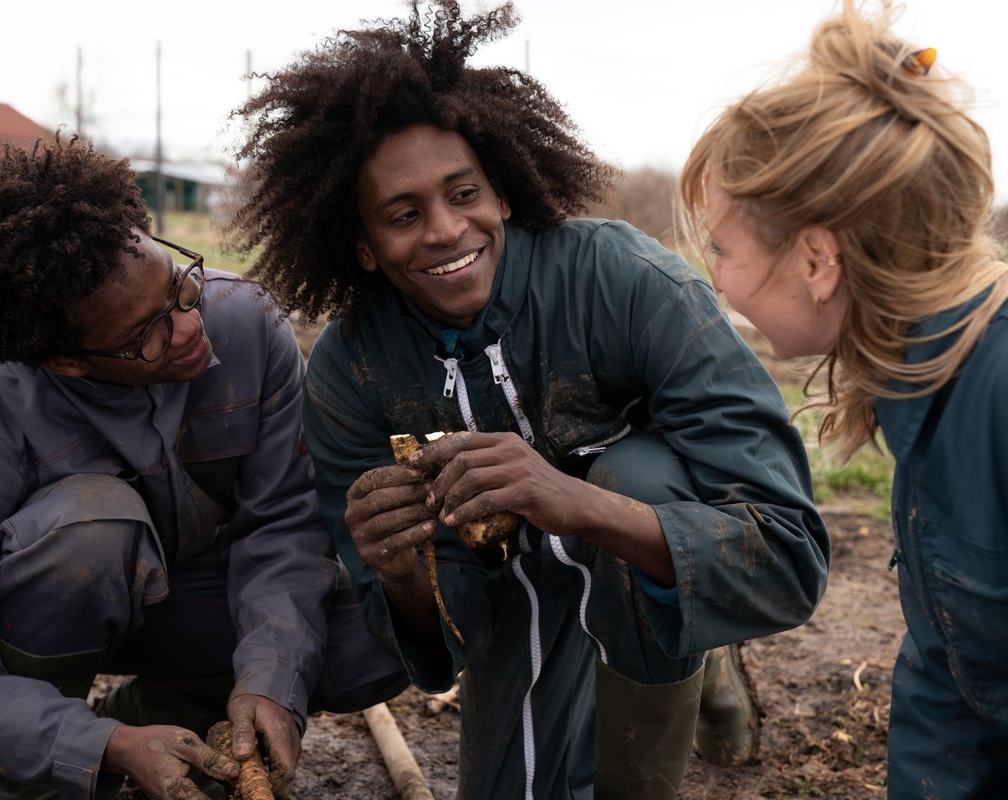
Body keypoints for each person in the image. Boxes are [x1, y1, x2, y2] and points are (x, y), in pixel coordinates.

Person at [227, 2, 830, 797]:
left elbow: (787, 553)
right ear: (364, 249)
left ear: (504, 194)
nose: (445, 230)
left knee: (634, 483)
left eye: (463, 193)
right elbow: (437, 649)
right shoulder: (352, 372)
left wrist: (569, 500)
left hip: (637, 543)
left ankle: (679, 670)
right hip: (515, 596)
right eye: (404, 216)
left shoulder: (627, 284)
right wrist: (399, 568)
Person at [0, 135, 407, 800]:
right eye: (146, 335)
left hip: (190, 607)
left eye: (180, 288)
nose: (190, 329)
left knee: (385, 623)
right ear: (66, 359)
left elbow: (283, 531)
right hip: (39, 627)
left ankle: (176, 729)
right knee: (92, 531)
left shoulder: (247, 326)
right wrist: (96, 747)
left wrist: (272, 680)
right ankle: (37, 767)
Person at [679, 3, 1008, 798]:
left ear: (818, 259)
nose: (714, 276)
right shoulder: (917, 379)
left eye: (723, 247)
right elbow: (958, 667)